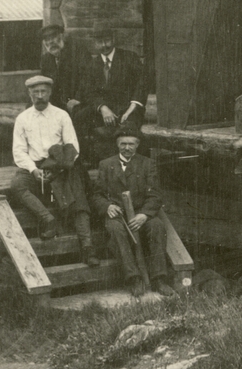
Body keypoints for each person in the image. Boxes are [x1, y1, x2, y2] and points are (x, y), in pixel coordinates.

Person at [91, 127, 176, 298]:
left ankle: (159, 278)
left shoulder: (147, 164)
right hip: (118, 215)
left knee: (157, 226)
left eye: (131, 144)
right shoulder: (106, 165)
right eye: (123, 144)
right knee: (116, 230)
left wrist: (144, 214)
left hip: (141, 213)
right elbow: (96, 195)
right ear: (117, 144)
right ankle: (134, 278)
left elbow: (155, 195)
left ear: (137, 145)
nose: (127, 148)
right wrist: (107, 206)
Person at [9, 75, 89, 250]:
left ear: (50, 92)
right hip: (35, 165)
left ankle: (87, 245)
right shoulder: (23, 118)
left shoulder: (61, 115)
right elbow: (19, 150)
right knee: (17, 185)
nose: (39, 96)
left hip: (60, 165)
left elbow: (72, 146)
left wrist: (59, 168)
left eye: (43, 91)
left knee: (76, 196)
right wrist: (33, 170)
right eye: (35, 92)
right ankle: (47, 219)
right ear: (29, 94)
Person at [73, 27, 147, 166]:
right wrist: (102, 108)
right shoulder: (92, 65)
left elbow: (141, 85)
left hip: (128, 107)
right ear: (95, 43)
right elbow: (88, 92)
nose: (104, 45)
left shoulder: (129, 57)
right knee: (79, 117)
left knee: (128, 128)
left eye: (107, 40)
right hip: (104, 110)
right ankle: (85, 160)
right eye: (99, 42)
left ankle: (130, 164)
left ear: (113, 39)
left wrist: (132, 108)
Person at [38, 23, 88, 113]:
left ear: (62, 36)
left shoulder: (77, 52)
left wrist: (77, 99)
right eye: (47, 39)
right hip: (56, 104)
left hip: (77, 101)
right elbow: (43, 83)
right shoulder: (46, 59)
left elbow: (86, 79)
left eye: (53, 37)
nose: (50, 42)